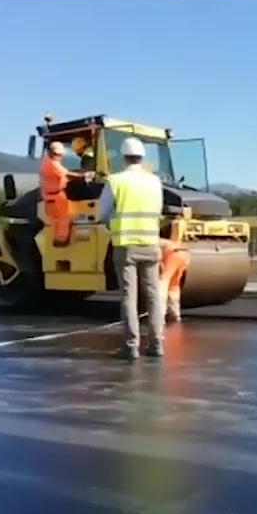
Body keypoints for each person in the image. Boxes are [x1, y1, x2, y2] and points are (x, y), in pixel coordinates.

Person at [98, 136, 165, 360]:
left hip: (126, 246)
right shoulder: (155, 181)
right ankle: (156, 344)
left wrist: (113, 224)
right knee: (154, 296)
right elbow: (158, 209)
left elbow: (101, 214)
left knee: (129, 296)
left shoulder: (116, 181)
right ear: (142, 157)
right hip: (151, 244)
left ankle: (131, 345)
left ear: (123, 158)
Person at [40, 141, 94, 247]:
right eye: (57, 154)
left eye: (60, 155)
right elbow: (68, 175)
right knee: (63, 219)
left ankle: (59, 239)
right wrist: (85, 175)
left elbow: (65, 175)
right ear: (51, 152)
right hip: (55, 196)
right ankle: (61, 241)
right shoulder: (52, 164)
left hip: (55, 195)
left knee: (57, 220)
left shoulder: (51, 162)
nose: (59, 157)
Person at [160, 239, 190, 323]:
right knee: (174, 286)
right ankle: (175, 314)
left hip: (172, 254)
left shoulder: (152, 243)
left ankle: (160, 315)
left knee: (163, 282)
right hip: (185, 253)